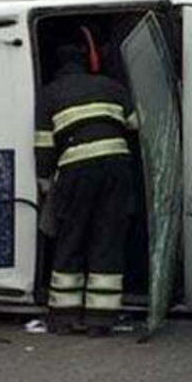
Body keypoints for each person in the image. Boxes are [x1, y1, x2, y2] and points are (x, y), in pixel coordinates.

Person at [34, 40, 139, 336]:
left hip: (76, 169)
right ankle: (100, 321)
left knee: (72, 238)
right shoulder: (111, 85)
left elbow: (43, 143)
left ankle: (63, 318)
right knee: (107, 238)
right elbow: (136, 123)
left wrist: (45, 185)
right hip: (117, 167)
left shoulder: (49, 94)